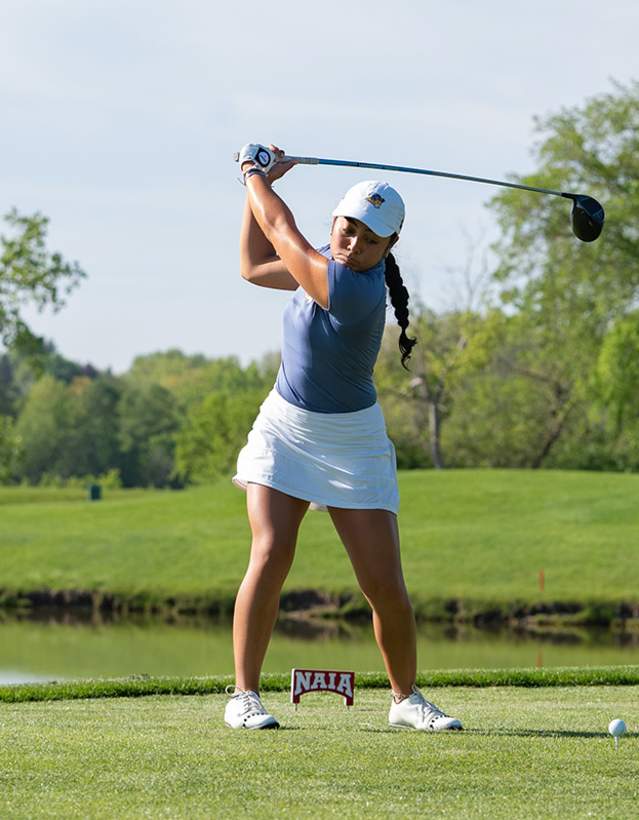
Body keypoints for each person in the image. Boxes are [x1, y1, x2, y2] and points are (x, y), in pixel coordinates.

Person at [224, 143, 462, 732]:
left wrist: (254, 175)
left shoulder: (356, 291)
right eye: (348, 229)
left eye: (370, 238)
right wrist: (253, 193)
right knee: (271, 553)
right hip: (285, 427)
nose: (354, 243)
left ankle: (406, 699)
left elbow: (280, 227)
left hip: (352, 441)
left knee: (383, 583)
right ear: (336, 221)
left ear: (389, 247)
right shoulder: (328, 262)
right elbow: (255, 265)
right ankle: (245, 696)